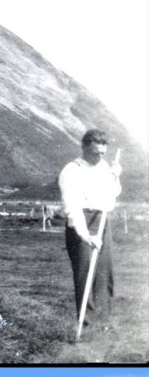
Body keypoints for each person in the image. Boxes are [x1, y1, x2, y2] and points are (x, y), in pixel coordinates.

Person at [58, 129, 121, 331]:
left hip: (102, 219)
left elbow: (111, 197)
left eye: (103, 153)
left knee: (105, 274)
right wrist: (86, 236)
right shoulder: (71, 171)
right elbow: (72, 208)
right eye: (95, 152)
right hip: (81, 222)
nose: (99, 157)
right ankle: (86, 325)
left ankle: (103, 325)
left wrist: (115, 177)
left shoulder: (104, 167)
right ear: (84, 147)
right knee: (85, 275)